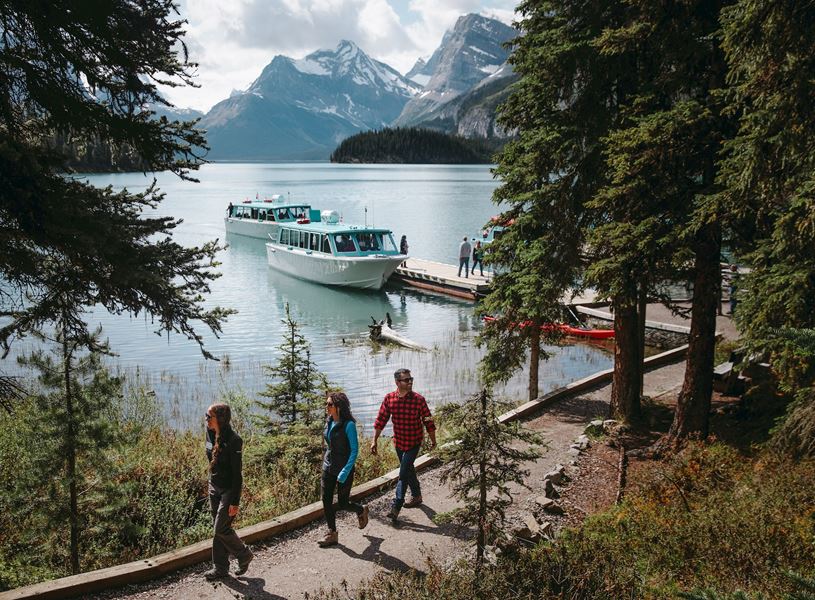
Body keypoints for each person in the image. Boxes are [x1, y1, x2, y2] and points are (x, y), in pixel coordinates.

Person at [370, 369, 436, 524]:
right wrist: (374, 440)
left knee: (403, 473)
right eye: (406, 380)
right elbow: (381, 420)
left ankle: (396, 506)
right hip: (399, 442)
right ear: (397, 383)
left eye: (411, 379)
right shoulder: (389, 399)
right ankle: (417, 495)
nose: (410, 382)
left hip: (414, 442)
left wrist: (434, 441)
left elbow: (428, 422)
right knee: (408, 469)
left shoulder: (419, 400)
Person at [204, 403, 253, 580]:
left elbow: (237, 474)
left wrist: (235, 502)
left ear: (221, 419)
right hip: (214, 486)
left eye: (210, 416)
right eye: (206, 416)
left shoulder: (234, 440)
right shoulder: (209, 432)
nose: (206, 419)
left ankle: (244, 554)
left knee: (220, 528)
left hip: (228, 490)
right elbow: (211, 458)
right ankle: (220, 568)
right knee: (218, 529)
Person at [318, 392, 369, 547]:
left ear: (339, 407)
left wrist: (345, 470)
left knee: (342, 503)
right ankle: (332, 533)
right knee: (326, 500)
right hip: (328, 467)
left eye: (330, 404)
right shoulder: (328, 421)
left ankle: (361, 510)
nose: (327, 407)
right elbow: (329, 444)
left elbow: (354, 450)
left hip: (344, 470)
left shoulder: (349, 425)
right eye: (326, 404)